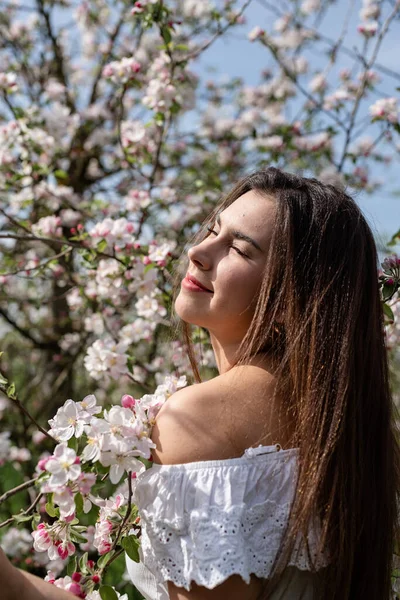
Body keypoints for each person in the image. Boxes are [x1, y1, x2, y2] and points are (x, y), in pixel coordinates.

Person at [1, 167, 399, 600]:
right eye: (212, 229)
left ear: (293, 299)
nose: (198, 251)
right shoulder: (348, 424)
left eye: (240, 250)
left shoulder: (200, 419)